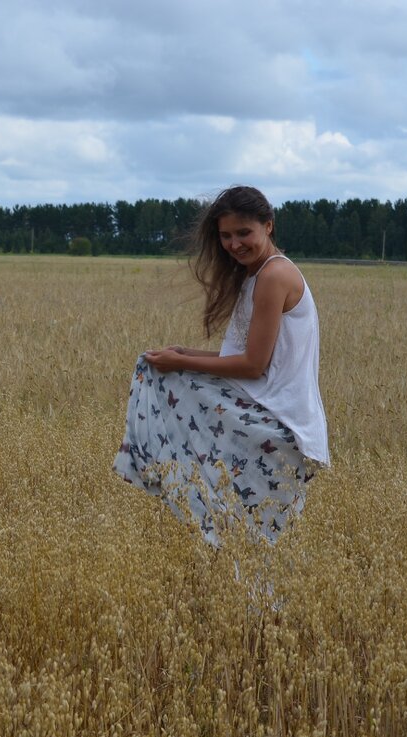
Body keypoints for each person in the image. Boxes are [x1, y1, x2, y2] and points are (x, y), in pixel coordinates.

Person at [113, 186, 329, 547]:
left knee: (251, 541)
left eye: (244, 233)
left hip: (278, 423)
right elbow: (247, 356)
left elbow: (254, 366)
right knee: (245, 539)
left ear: (269, 226)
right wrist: (185, 354)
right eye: (225, 236)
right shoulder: (256, 275)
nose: (234, 244)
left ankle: (147, 467)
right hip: (272, 416)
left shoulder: (274, 276)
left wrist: (182, 362)